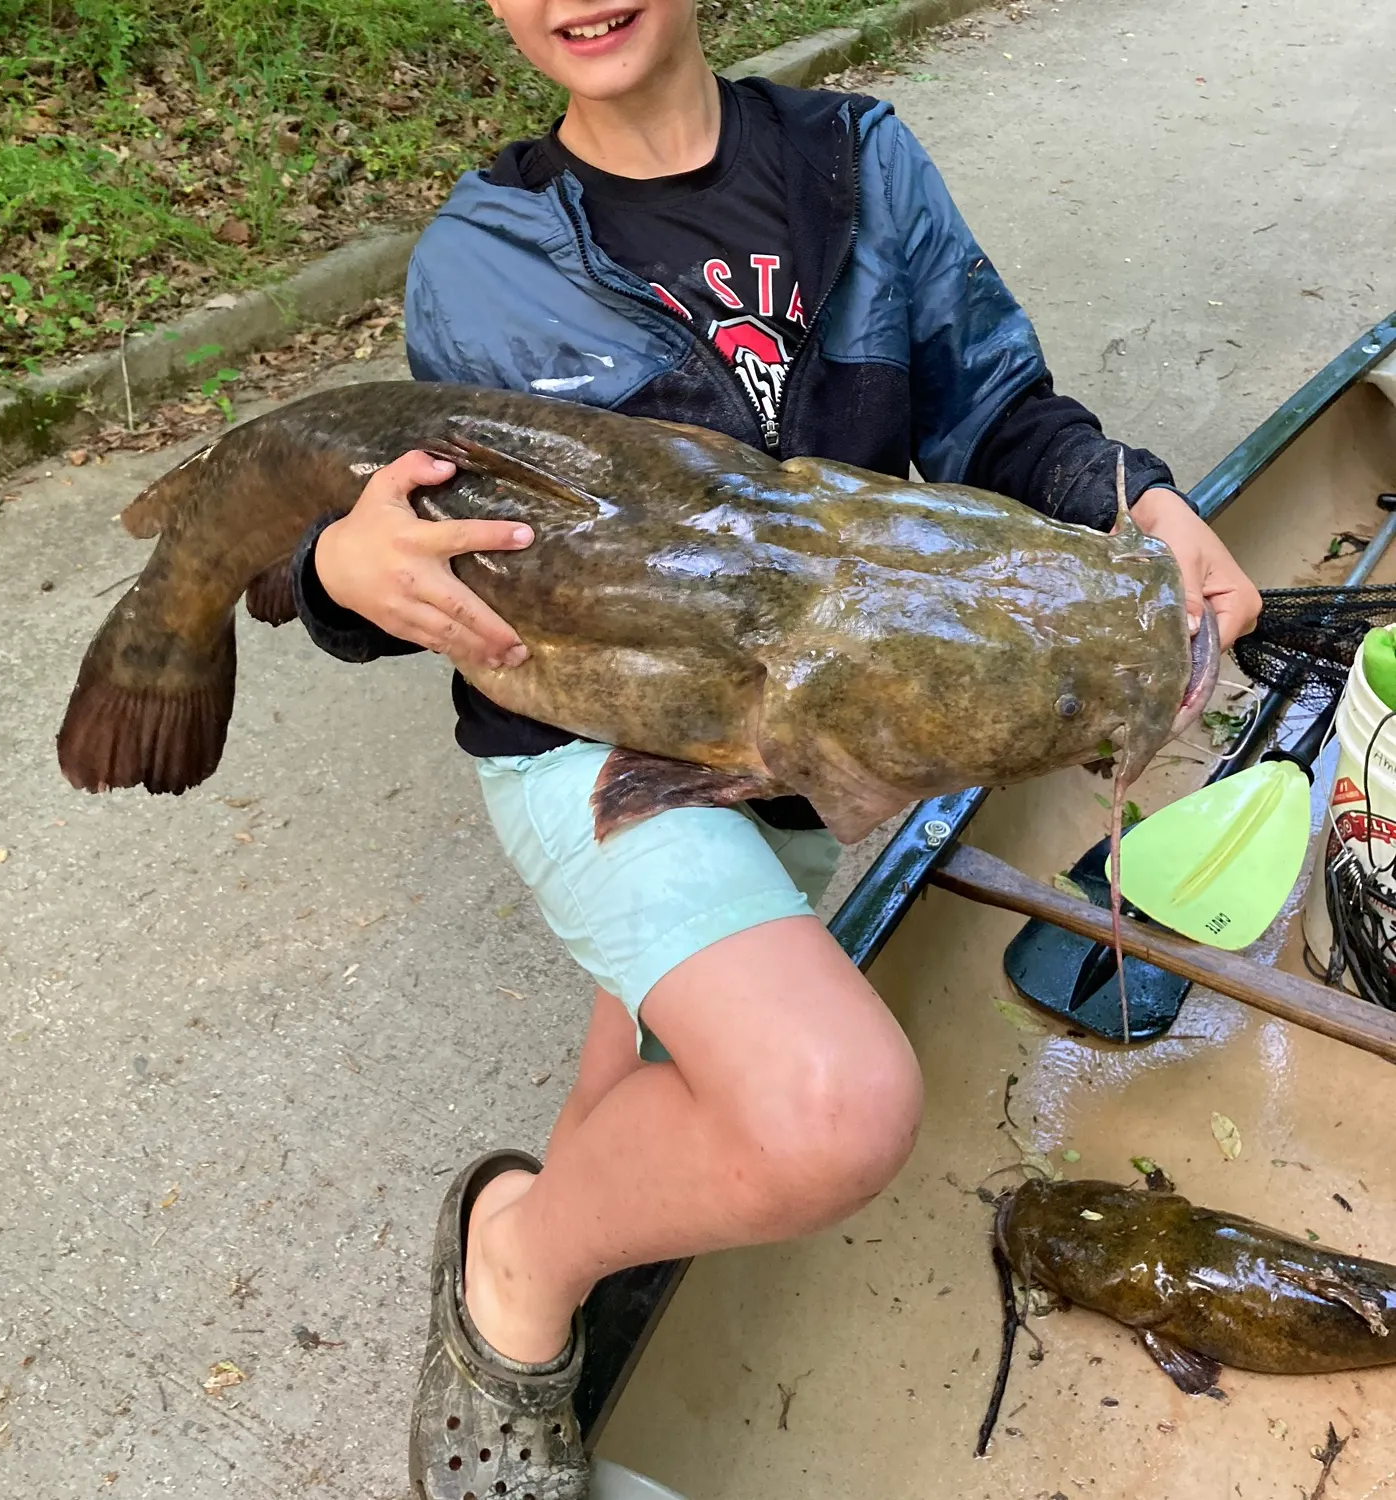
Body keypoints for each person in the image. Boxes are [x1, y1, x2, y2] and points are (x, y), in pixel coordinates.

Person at [291, 2, 1263, 1493]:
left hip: (804, 736)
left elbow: (998, 408)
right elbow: (422, 541)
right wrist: (328, 581)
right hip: (582, 743)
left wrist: (1143, 504)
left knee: (662, 1038)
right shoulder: (480, 256)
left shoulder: (859, 161)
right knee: (827, 1106)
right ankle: (514, 1270)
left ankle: (582, 1284)